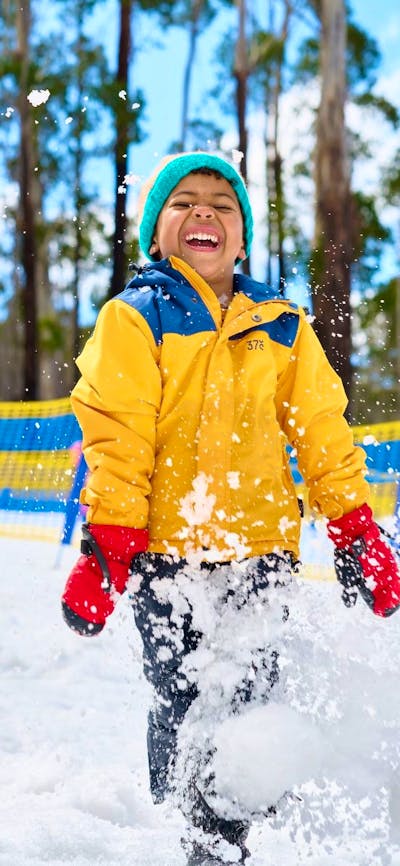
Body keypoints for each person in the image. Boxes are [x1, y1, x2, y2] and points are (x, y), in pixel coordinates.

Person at [61, 151, 400, 865]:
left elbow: (321, 428)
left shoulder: (280, 324)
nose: (204, 211)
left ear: (242, 238)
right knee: (181, 693)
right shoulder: (136, 318)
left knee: (245, 691)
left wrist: (352, 526)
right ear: (158, 234)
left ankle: (223, 827)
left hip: (260, 556)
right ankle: (193, 806)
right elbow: (119, 435)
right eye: (182, 202)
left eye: (223, 203)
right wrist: (110, 544)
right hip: (164, 557)